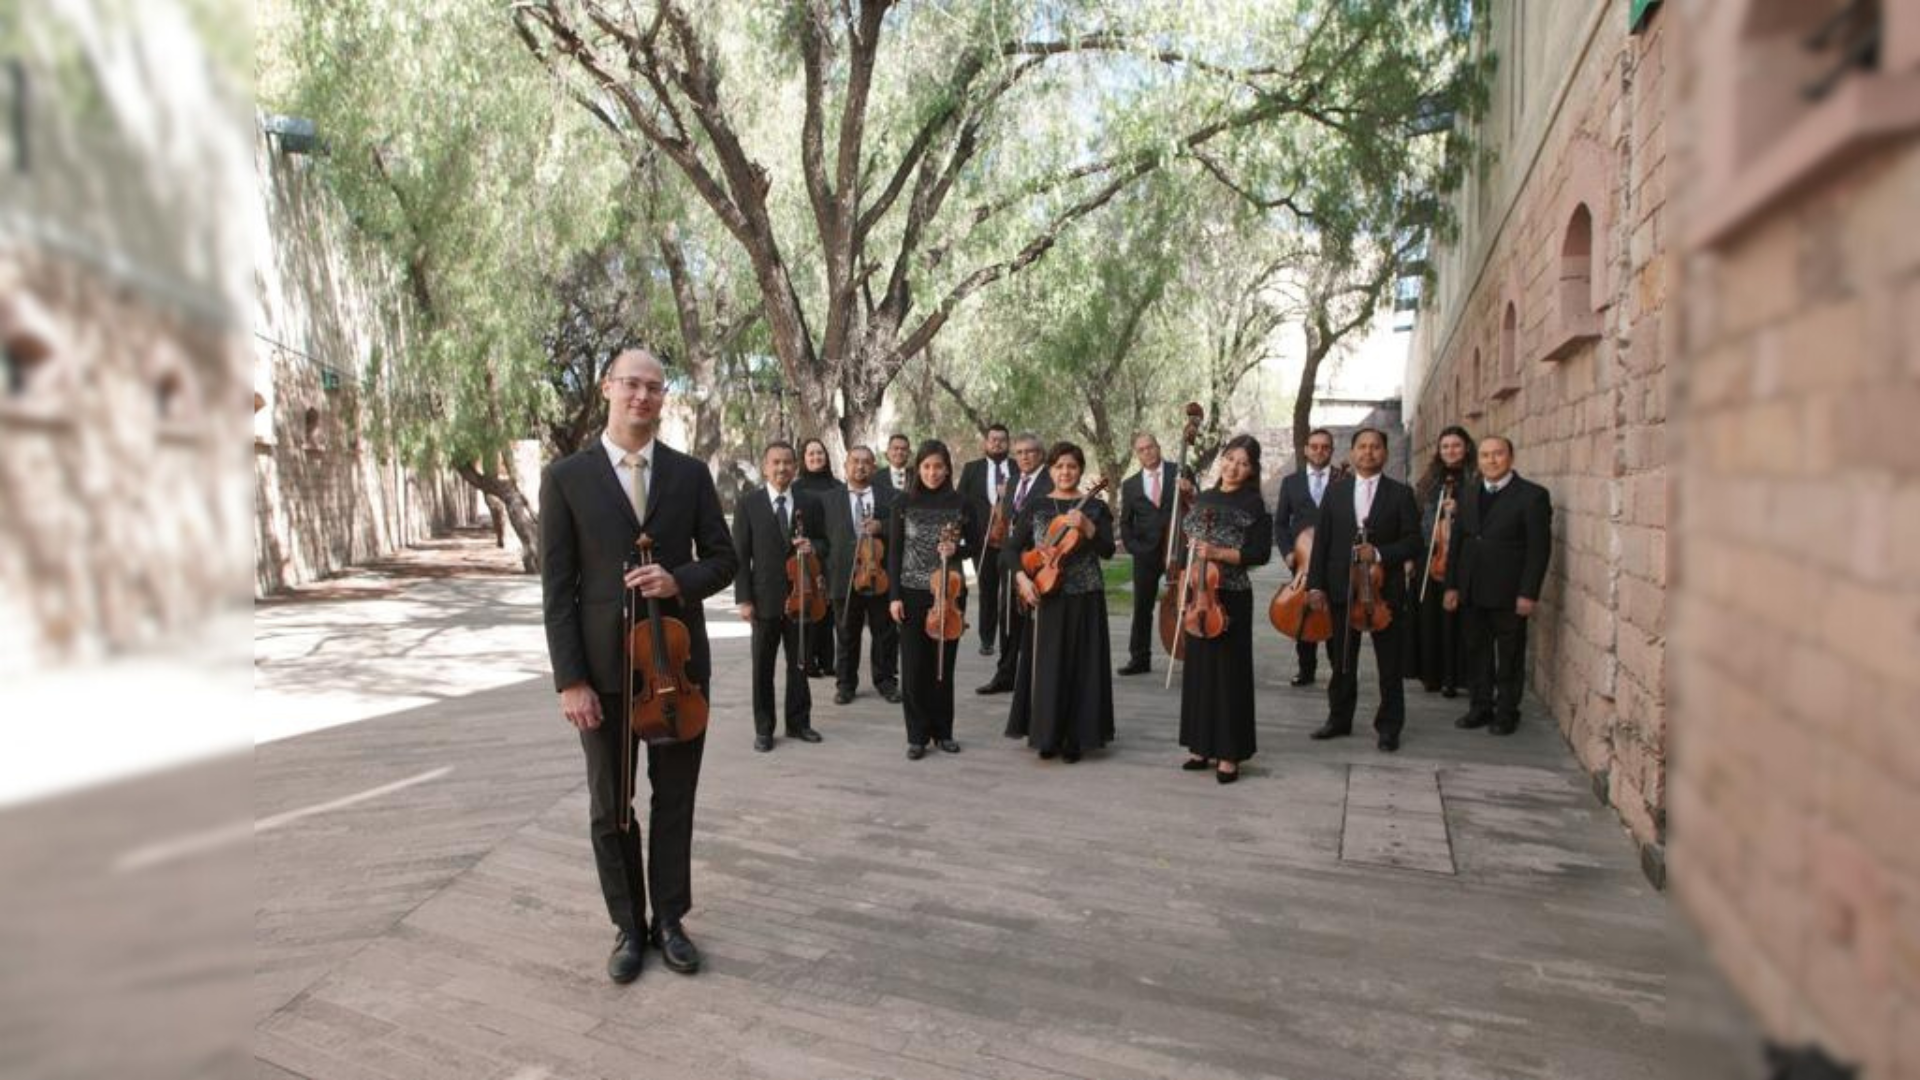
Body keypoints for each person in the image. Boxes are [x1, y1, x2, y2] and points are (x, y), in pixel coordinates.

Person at [540, 348, 735, 983]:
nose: (642, 397)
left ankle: (671, 921)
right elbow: (558, 588)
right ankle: (628, 925)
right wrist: (571, 680)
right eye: (631, 384)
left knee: (675, 799)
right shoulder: (566, 477)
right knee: (611, 805)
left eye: (654, 388)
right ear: (608, 388)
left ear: (663, 397)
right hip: (601, 672)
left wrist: (676, 580)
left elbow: (725, 560)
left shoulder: (689, 473)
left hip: (676, 670)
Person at [1306, 428, 1423, 752]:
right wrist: (1315, 585)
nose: (1368, 452)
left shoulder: (1401, 494)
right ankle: (1339, 719)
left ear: (1384, 453)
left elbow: (1414, 542)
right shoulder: (1335, 492)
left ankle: (1389, 727)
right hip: (1342, 588)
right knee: (1342, 661)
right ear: (1353, 451)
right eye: (1362, 447)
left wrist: (1381, 553)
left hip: (1385, 593)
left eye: (1375, 447)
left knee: (1390, 664)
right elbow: (1322, 543)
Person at [1004, 442, 1116, 762]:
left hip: (1085, 595)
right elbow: (1011, 551)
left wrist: (1088, 526)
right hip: (1045, 593)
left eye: (1072, 466)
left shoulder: (1094, 507)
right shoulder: (1036, 505)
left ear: (1080, 470)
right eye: (1059, 466)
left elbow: (1108, 549)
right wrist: (1022, 579)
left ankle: (1076, 738)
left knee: (1081, 667)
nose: (1065, 472)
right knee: (1048, 667)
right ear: (1050, 470)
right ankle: (1046, 734)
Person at [1175, 435, 1273, 783]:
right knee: (1199, 671)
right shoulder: (1205, 498)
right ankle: (1201, 746)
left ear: (1251, 470)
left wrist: (1218, 553)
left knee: (1229, 674)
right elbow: (1187, 538)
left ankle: (1230, 753)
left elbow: (1259, 554)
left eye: (1243, 463)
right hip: (1198, 593)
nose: (1234, 467)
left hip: (1230, 595)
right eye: (1230, 459)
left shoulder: (1254, 505)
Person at [1444, 436, 1552, 736]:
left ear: (1511, 457)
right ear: (1477, 460)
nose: (1491, 460)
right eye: (1485, 455)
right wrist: (1452, 586)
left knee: (1509, 654)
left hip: (1509, 591)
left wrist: (1528, 593)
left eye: (1498, 454)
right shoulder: (1468, 493)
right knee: (1476, 651)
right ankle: (1480, 707)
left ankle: (1506, 712)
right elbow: (1458, 542)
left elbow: (1538, 550)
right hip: (1472, 588)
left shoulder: (1532, 496)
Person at [887, 441, 983, 759]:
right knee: (914, 667)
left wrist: (958, 549)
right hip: (912, 593)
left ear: (947, 468)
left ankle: (944, 732)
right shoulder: (902, 502)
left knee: (943, 666)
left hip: (950, 593)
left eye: (938, 467)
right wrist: (894, 597)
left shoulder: (961, 503)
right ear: (918, 468)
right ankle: (917, 735)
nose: (932, 472)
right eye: (927, 466)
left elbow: (978, 545)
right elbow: (895, 552)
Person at [732, 441, 829, 753]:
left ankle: (799, 722)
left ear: (796, 467)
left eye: (788, 462)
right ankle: (764, 728)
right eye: (775, 462)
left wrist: (813, 546)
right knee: (762, 666)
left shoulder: (810, 502)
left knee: (799, 663)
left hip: (802, 597)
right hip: (763, 600)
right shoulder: (748, 503)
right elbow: (740, 557)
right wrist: (744, 600)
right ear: (765, 467)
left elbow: (826, 543)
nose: (782, 468)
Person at [823, 445, 900, 705]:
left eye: (866, 462)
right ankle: (845, 684)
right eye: (855, 461)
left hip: (879, 575)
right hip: (843, 577)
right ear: (845, 466)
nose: (860, 466)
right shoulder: (828, 499)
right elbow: (822, 539)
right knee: (845, 632)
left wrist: (883, 526)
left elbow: (904, 528)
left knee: (885, 633)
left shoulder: (892, 496)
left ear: (874, 467)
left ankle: (886, 681)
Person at [975, 433, 1051, 694]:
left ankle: (1038, 679)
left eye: (1030, 451)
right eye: (1019, 452)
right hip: (1011, 560)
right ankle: (1005, 675)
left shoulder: (1051, 480)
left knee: (1037, 620)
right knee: (1008, 618)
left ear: (1041, 454)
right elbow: (1007, 523)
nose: (1024, 456)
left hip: (1039, 563)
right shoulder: (1013, 481)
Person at [1412, 426, 1476, 698]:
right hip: (1431, 554)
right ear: (1439, 451)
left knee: (1458, 618)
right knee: (1430, 617)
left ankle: (1456, 677)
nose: (1451, 450)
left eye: (1456, 445)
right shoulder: (1428, 481)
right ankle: (1432, 675)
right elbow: (1415, 519)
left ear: (1466, 448)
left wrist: (1460, 510)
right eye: (1445, 446)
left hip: (1462, 558)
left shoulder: (1476, 479)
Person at [1273, 428, 1336, 686]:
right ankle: (1306, 669)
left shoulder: (1345, 480)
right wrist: (1288, 552)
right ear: (1306, 450)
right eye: (1314, 446)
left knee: (1334, 612)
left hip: (1335, 561)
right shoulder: (1291, 482)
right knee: (1303, 611)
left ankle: (1338, 669)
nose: (1319, 451)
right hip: (1302, 561)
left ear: (1331, 451)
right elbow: (1280, 523)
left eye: (1325, 447)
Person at [1116, 432, 1179, 676]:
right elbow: (1125, 523)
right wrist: (1134, 547)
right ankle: (1139, 659)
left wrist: (1189, 490)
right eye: (1141, 449)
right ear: (1137, 454)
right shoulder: (1130, 485)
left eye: (1150, 447)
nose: (1147, 452)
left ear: (1158, 447)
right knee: (1142, 607)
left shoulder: (1179, 472)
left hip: (1177, 549)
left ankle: (1190, 652)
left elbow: (1196, 505)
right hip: (1145, 553)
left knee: (1186, 601)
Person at [956, 423, 1013, 656]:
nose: (997, 443)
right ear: (985, 443)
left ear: (1008, 443)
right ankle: (987, 640)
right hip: (981, 540)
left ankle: (1010, 637)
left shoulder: (1018, 469)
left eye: (1002, 440)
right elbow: (960, 503)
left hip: (1010, 541)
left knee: (1010, 592)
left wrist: (1006, 498)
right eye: (993, 440)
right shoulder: (972, 469)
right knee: (987, 592)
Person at [794, 437, 841, 677]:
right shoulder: (796, 487)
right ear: (804, 459)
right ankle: (808, 659)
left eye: (819, 453)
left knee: (829, 608)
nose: (816, 457)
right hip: (806, 555)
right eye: (811, 454)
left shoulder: (837, 486)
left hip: (831, 554)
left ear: (826, 456)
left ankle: (828, 661)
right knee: (809, 606)